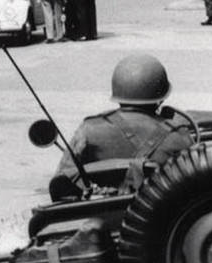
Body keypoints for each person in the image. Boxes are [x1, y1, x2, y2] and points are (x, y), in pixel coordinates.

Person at [50, 54, 196, 198]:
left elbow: (62, 183)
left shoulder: (88, 130)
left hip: (102, 216)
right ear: (161, 98)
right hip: (158, 217)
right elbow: (195, 189)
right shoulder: (178, 136)